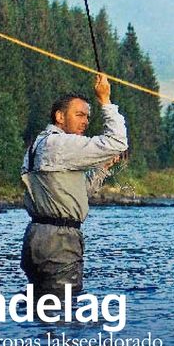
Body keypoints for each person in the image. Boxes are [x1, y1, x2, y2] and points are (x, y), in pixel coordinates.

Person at [20, 73, 128, 296]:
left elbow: (77, 192)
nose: (85, 121)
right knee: (63, 310)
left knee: (40, 308)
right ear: (59, 116)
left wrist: (101, 168)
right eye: (79, 114)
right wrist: (105, 100)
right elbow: (118, 142)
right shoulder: (60, 144)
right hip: (59, 241)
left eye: (87, 117)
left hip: (36, 236)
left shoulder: (39, 144)